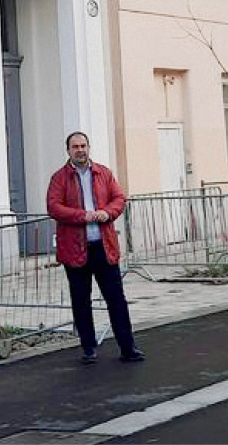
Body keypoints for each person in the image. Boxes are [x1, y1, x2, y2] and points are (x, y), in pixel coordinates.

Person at [47, 131, 145, 365]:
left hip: (104, 246)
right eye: (75, 146)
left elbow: (119, 198)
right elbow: (54, 207)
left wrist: (107, 213)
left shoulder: (103, 173)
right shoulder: (59, 178)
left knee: (116, 299)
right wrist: (84, 216)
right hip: (75, 249)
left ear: (89, 148)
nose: (80, 150)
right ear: (68, 151)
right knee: (81, 300)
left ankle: (128, 347)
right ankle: (88, 348)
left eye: (83, 145)